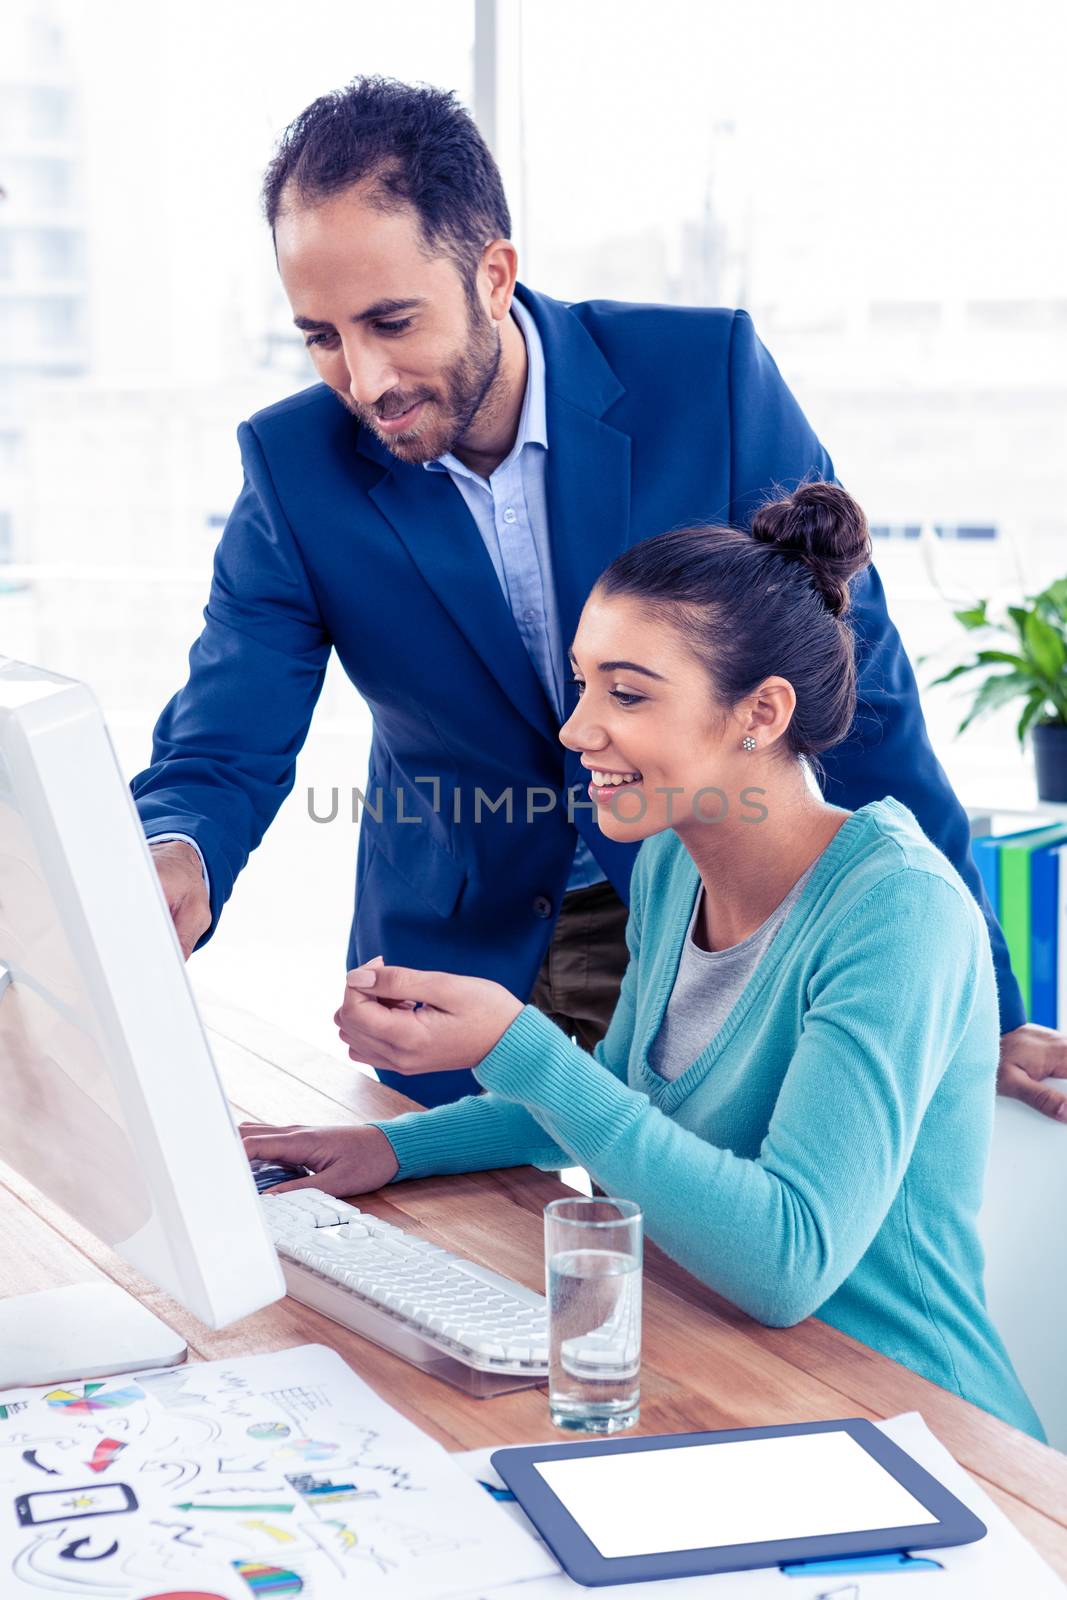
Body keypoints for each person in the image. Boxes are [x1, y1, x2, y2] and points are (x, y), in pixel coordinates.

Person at [134, 76, 1067, 1118]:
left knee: (692, 1264)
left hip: (701, 919)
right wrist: (172, 853)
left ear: (492, 275)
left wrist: (972, 996)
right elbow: (222, 744)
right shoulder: (292, 467)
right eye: (320, 335)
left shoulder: (703, 378)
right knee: (442, 1264)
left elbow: (859, 692)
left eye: (393, 320)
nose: (364, 378)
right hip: (461, 952)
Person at [242, 483, 1043, 1439]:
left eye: (625, 693)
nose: (577, 729)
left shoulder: (895, 910)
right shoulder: (671, 863)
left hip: (909, 1419)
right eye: (581, 682)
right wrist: (388, 1147)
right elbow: (618, 1100)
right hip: (723, 1371)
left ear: (760, 713)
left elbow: (787, 1262)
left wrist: (521, 1045)